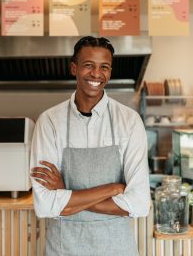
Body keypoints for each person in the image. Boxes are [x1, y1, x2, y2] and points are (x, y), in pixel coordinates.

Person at [30, 36, 150, 256]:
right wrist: (113, 188)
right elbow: (45, 206)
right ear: (73, 68)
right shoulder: (49, 122)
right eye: (88, 65)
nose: (96, 74)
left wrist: (66, 195)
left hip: (117, 248)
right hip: (64, 248)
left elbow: (140, 204)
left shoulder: (129, 121)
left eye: (104, 67)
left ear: (110, 72)